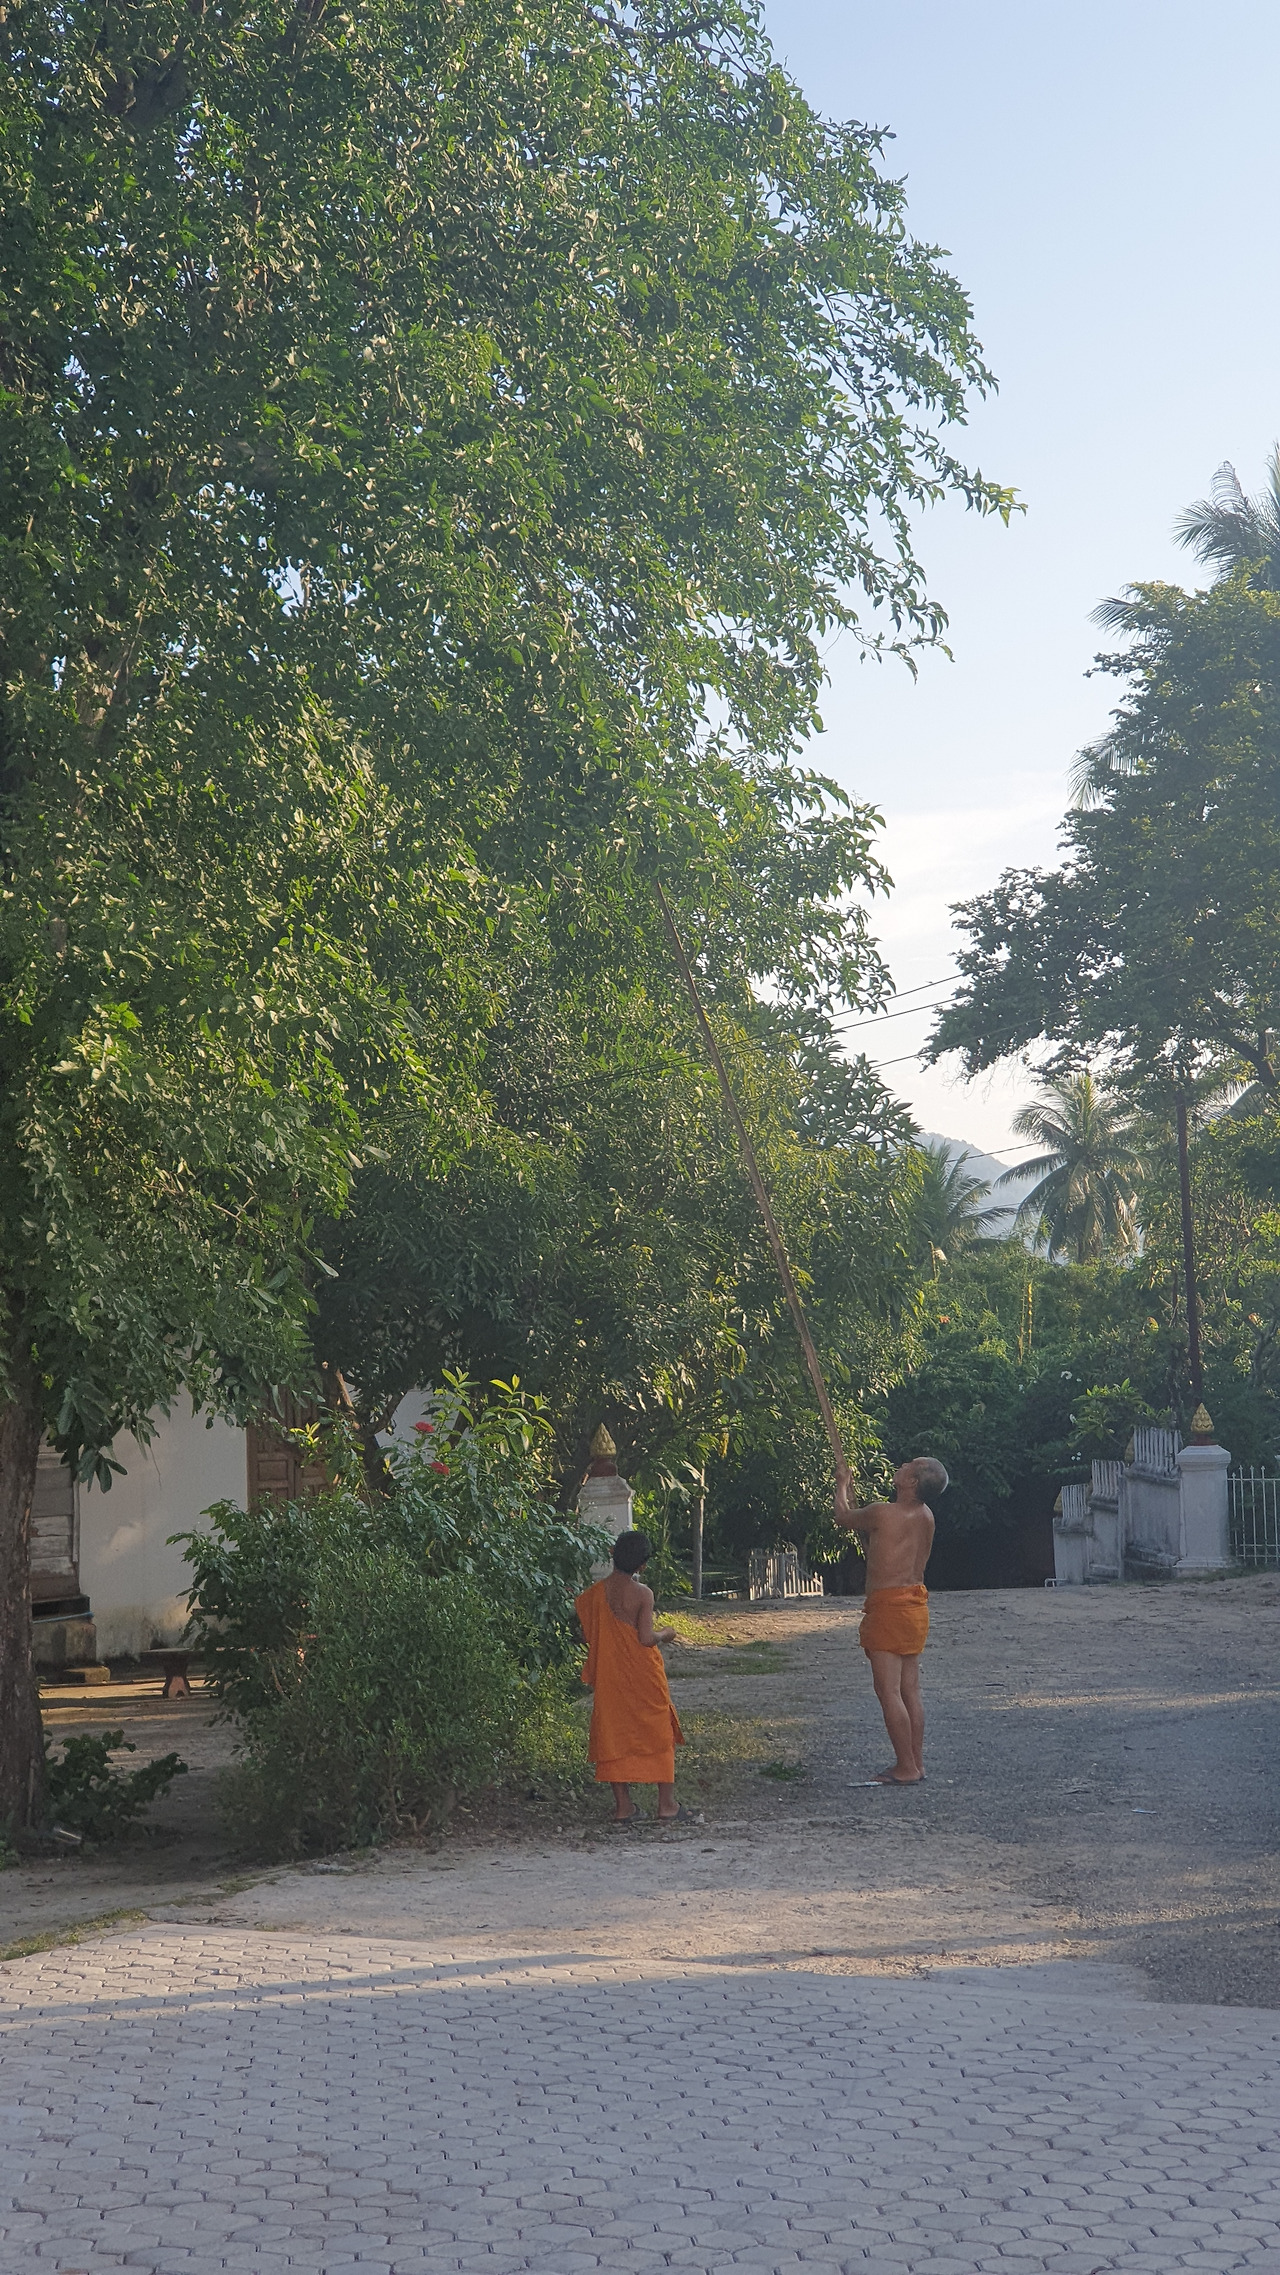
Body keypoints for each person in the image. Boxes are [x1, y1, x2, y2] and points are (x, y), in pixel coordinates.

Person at [833, 1456, 949, 1786]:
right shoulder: (926, 1516)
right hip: (915, 1607)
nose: (903, 1464)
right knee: (910, 1690)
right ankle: (916, 1762)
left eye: (910, 1464)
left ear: (911, 1482)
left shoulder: (882, 1512)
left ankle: (906, 1766)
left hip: (889, 1608)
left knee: (888, 1691)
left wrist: (842, 1483)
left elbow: (843, 1517)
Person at [575, 1530, 688, 1824]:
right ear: (642, 1565)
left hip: (611, 1675)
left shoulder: (594, 1594)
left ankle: (624, 1807)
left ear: (612, 1553)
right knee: (659, 1730)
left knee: (613, 1732)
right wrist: (667, 1633)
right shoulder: (643, 1594)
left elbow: (589, 1633)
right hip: (643, 1674)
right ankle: (667, 1805)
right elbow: (646, 1638)